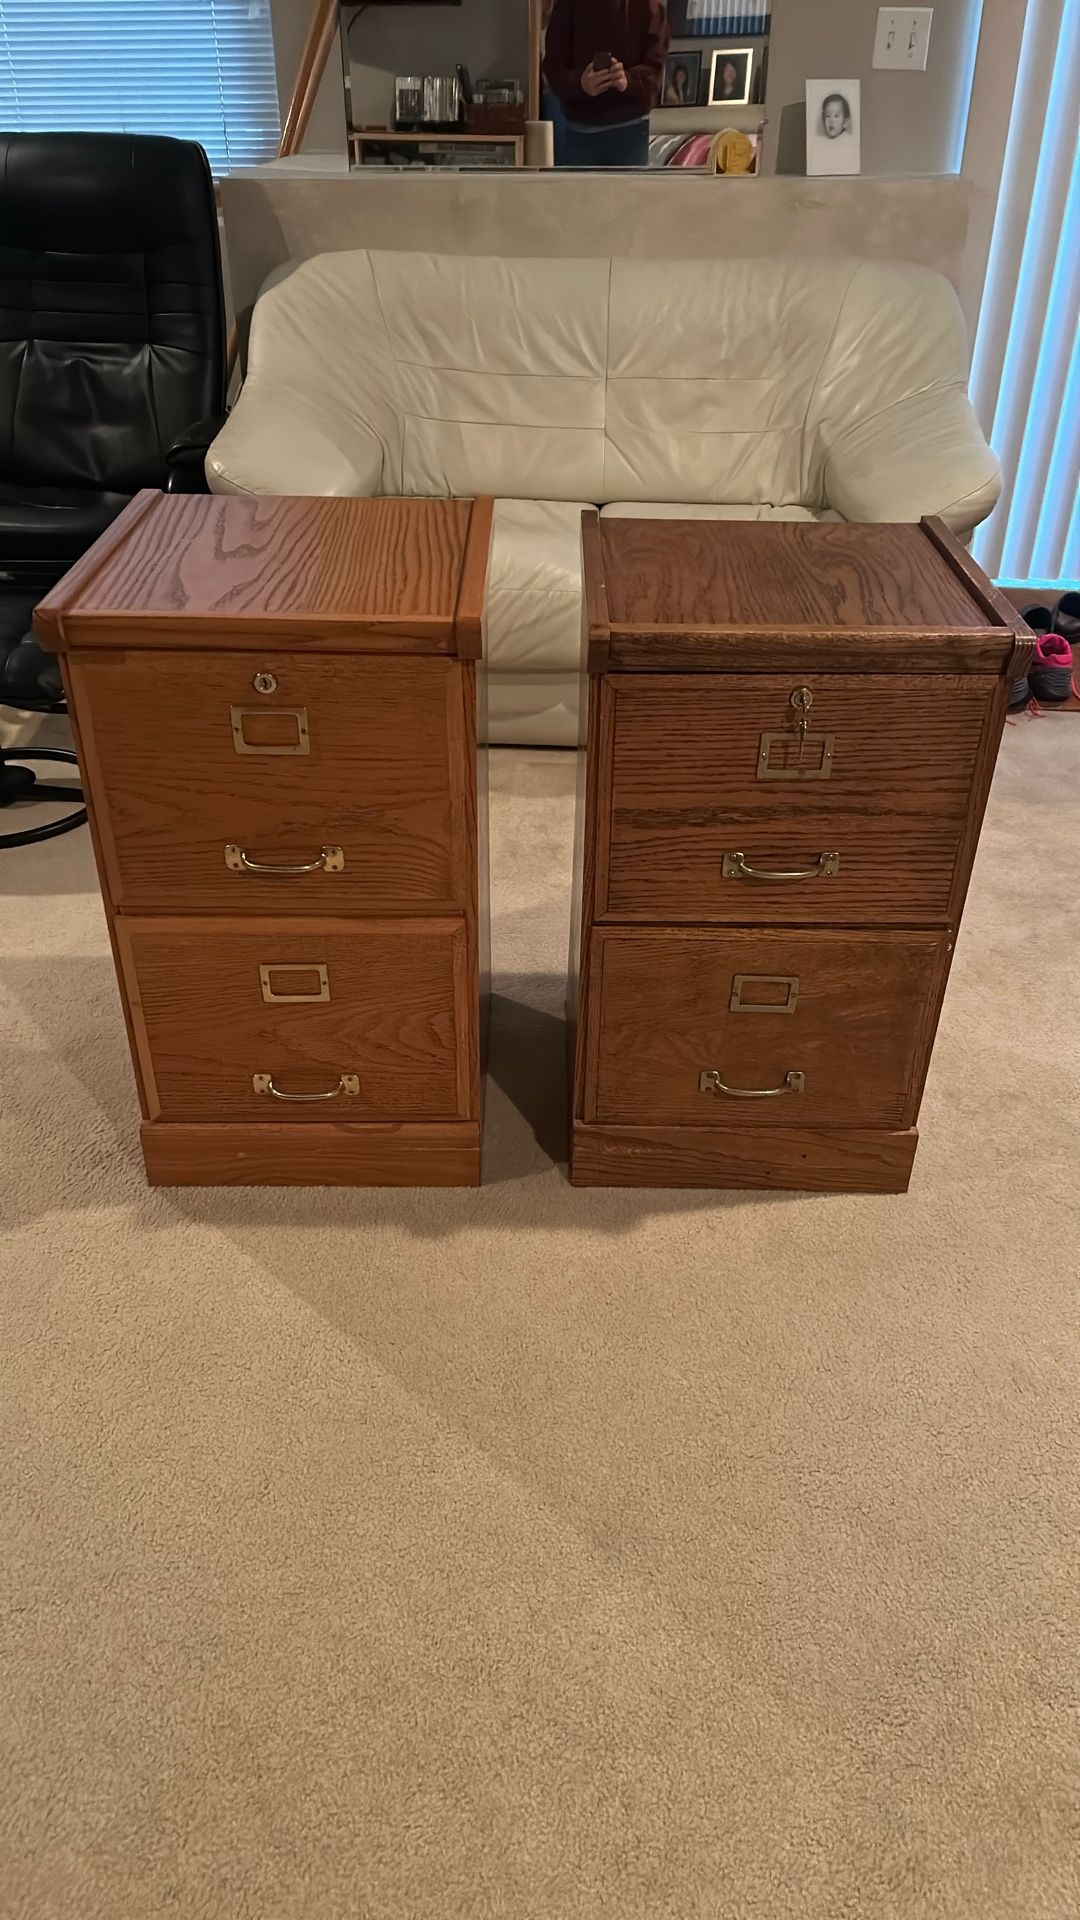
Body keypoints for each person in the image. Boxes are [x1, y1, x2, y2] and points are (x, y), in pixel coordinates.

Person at [544, 0, 670, 169]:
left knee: (626, 195)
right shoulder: (568, 4)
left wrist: (628, 80)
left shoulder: (650, 6)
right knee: (576, 195)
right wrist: (580, 83)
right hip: (581, 132)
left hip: (630, 130)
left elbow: (655, 70)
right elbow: (553, 68)